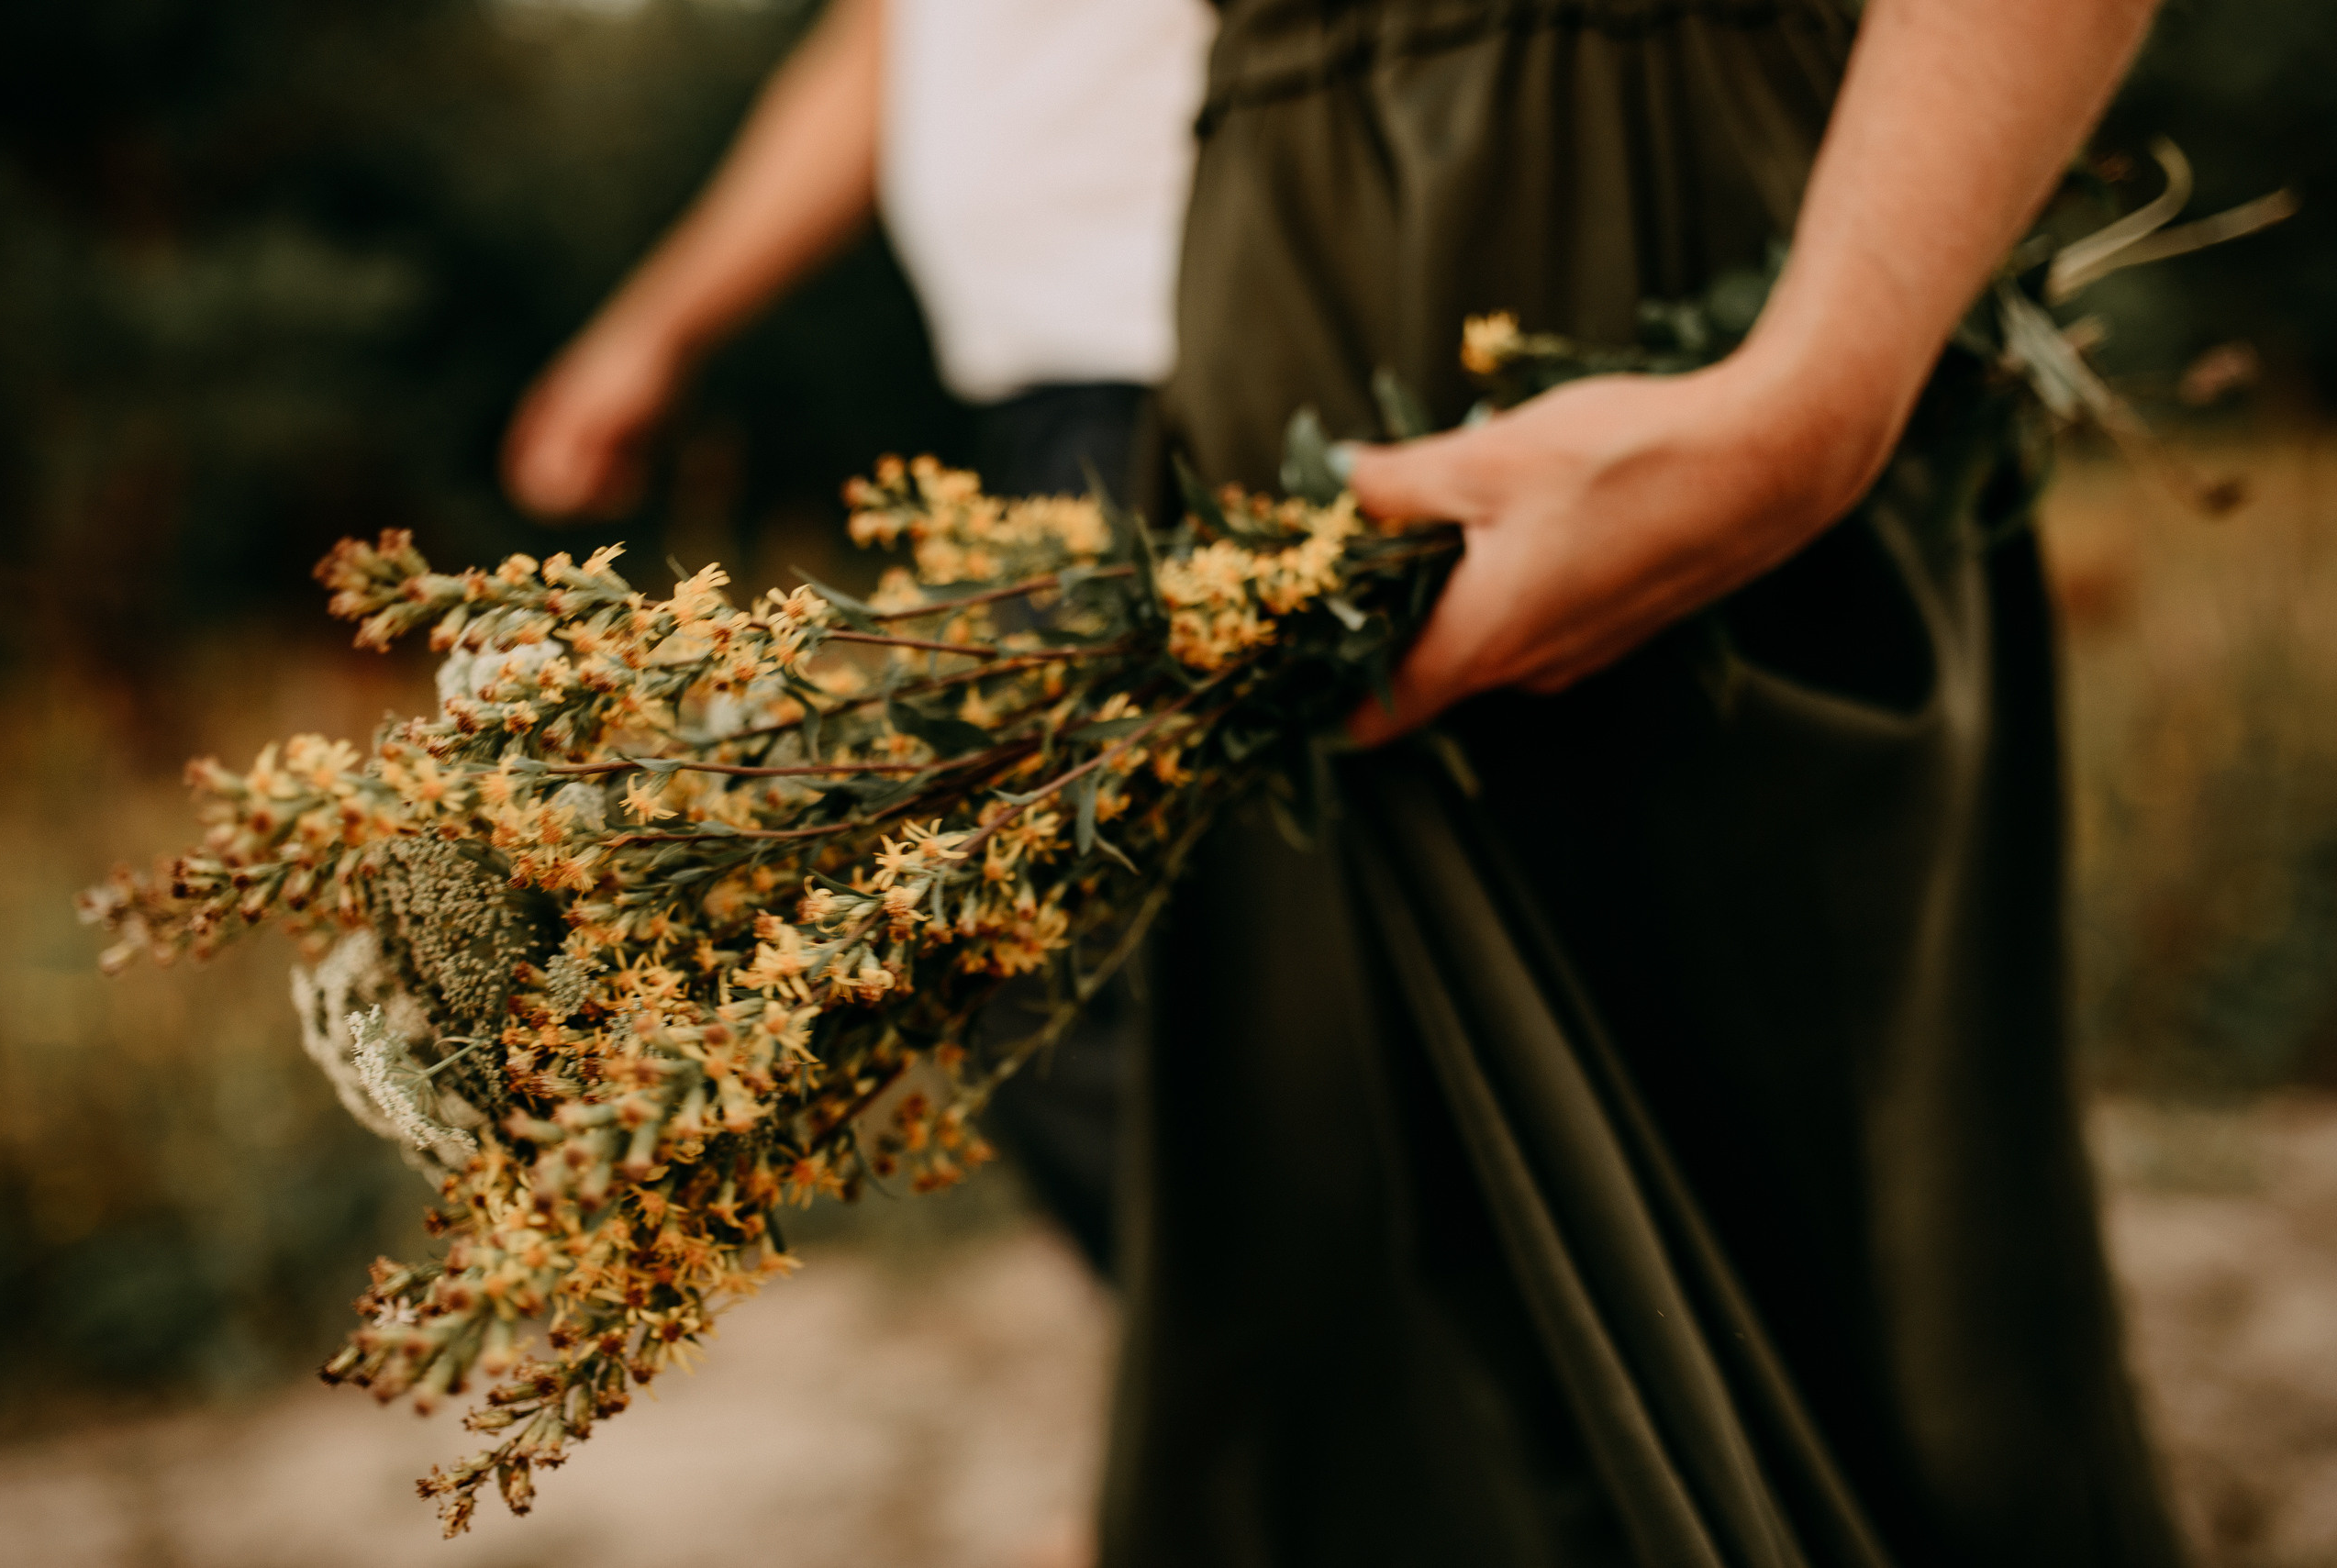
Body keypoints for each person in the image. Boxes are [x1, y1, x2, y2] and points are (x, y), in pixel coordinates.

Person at [1106, 1, 2189, 1564]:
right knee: (1347, 1356)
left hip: (1667, 176)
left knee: (1830, 1313)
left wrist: (1816, 390)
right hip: (1270, 228)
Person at [498, 0, 1216, 1278]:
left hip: (1182, 363)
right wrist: (652, 329)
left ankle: (1263, 1439)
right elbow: (885, 43)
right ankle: (1241, 1430)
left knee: (1018, 933)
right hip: (1061, 404)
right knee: (1046, 944)